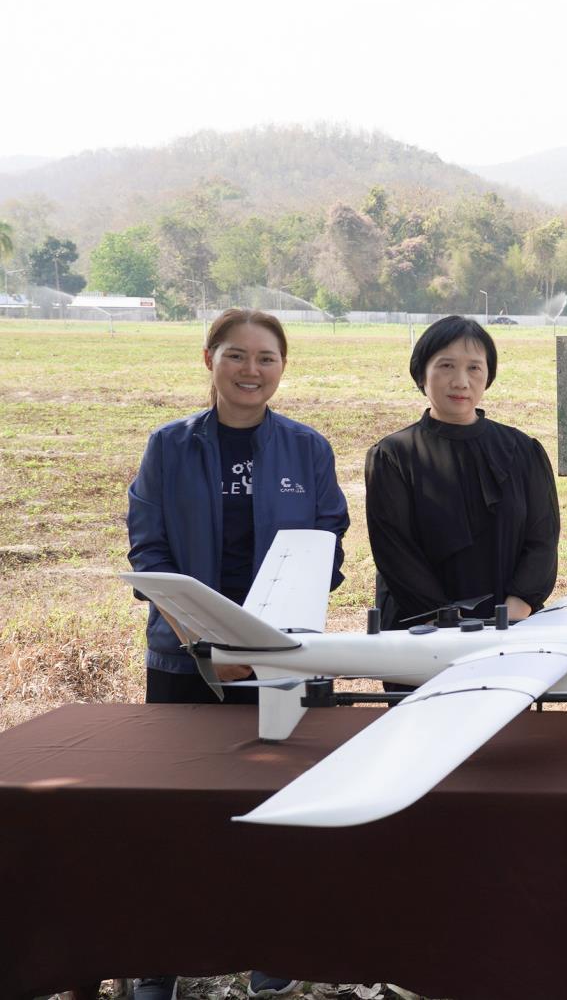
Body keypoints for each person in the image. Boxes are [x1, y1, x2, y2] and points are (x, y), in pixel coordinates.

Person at [125, 307, 345, 1000]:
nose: (252, 370)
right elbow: (149, 552)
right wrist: (203, 641)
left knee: (278, 802)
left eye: (266, 357)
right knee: (173, 812)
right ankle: (158, 961)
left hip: (278, 659)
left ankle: (271, 948)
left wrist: (260, 643)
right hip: (183, 658)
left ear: (283, 366)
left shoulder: (307, 449)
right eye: (236, 355)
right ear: (209, 359)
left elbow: (327, 544)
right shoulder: (169, 446)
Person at [365, 316, 559, 632]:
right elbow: (395, 551)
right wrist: (441, 621)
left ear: (488, 375)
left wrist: (514, 610)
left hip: (509, 626)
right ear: (421, 373)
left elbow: (543, 539)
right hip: (421, 629)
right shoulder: (393, 455)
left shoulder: (523, 450)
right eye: (446, 366)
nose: (460, 381)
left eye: (474, 368)